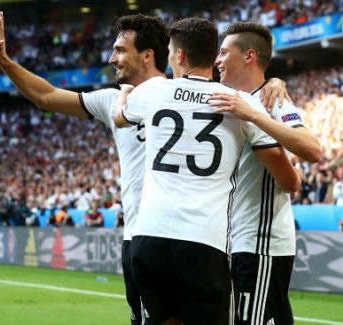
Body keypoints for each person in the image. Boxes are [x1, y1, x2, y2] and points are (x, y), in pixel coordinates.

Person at [114, 17, 299, 324]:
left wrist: (125, 90)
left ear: (180, 56)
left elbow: (120, 117)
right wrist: (275, 83)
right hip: (203, 242)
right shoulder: (237, 103)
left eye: (172, 52)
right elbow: (287, 175)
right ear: (211, 56)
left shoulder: (153, 91)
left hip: (149, 237)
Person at [0, 12, 167, 324]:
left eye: (121, 50)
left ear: (148, 55)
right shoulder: (112, 100)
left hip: (182, 236)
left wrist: (272, 82)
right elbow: (46, 96)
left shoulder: (186, 95)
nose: (112, 58)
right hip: (140, 237)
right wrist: (5, 62)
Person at [212, 21, 322, 325]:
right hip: (238, 241)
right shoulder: (228, 98)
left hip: (261, 243)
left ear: (248, 56)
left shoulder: (273, 101)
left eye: (223, 52)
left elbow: (312, 150)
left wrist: (254, 115)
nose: (217, 60)